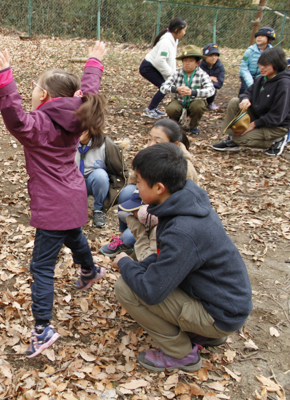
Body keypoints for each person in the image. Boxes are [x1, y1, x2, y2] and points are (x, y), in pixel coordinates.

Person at [0, 42, 108, 358]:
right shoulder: (81, 113)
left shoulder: (39, 124)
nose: (31, 92)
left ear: (44, 96)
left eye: (34, 87)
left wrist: (4, 80)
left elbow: (15, 117)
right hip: (74, 197)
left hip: (53, 205)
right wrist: (94, 61)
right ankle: (89, 270)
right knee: (74, 235)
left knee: (41, 266)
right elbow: (90, 90)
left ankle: (42, 331)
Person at [113, 143, 253, 372]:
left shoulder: (183, 230)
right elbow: (165, 257)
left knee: (126, 288)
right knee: (139, 274)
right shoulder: (185, 202)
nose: (136, 188)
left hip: (221, 314)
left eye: (139, 181)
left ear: (159, 187)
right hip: (226, 302)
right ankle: (204, 334)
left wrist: (126, 264)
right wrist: (138, 266)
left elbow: (152, 291)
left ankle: (180, 354)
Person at [101, 119, 198, 261]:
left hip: (166, 213)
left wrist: (150, 214)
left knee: (133, 237)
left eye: (157, 142)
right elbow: (134, 182)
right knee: (127, 191)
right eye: (149, 139)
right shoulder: (150, 155)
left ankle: (134, 241)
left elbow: (183, 202)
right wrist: (139, 203)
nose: (150, 145)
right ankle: (123, 237)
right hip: (148, 203)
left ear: (174, 144)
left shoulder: (184, 168)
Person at [212, 47, 290, 156]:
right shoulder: (262, 78)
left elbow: (277, 116)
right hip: (260, 116)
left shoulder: (284, 84)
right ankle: (232, 139)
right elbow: (248, 91)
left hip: (276, 126)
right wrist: (246, 99)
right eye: (260, 64)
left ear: (277, 64)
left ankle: (276, 140)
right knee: (235, 102)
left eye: (266, 65)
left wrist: (254, 124)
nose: (261, 68)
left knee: (240, 139)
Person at [74, 130, 129, 228]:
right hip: (73, 180)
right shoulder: (68, 141)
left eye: (84, 128)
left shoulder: (105, 144)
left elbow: (119, 172)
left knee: (100, 175)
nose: (79, 131)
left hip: (93, 181)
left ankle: (98, 210)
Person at [160, 45, 215, 135]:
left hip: (195, 100)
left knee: (198, 106)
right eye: (185, 61)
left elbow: (211, 90)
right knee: (171, 109)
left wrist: (193, 92)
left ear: (197, 63)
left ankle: (193, 127)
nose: (187, 63)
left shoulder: (202, 74)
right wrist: (176, 89)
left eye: (191, 61)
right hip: (179, 100)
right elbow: (163, 87)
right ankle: (175, 127)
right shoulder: (177, 74)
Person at [140, 17, 188, 119]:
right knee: (164, 87)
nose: (185, 32)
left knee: (165, 87)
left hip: (154, 66)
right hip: (147, 67)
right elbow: (159, 61)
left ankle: (153, 108)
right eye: (184, 30)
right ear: (176, 30)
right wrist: (171, 74)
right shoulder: (166, 42)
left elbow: (170, 59)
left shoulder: (174, 40)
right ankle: (150, 110)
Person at [239, 26, 275, 95]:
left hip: (263, 77)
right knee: (245, 91)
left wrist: (260, 79)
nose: (259, 37)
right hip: (248, 76)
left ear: (269, 39)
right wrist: (251, 82)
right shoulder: (249, 51)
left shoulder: (272, 53)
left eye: (263, 36)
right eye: (258, 36)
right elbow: (243, 67)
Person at [199, 43, 225, 110]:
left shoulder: (220, 66)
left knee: (212, 88)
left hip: (210, 90)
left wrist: (206, 82)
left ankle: (210, 103)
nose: (214, 57)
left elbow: (219, 84)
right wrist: (209, 78)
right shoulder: (199, 66)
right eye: (211, 55)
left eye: (216, 55)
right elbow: (197, 82)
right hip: (198, 92)